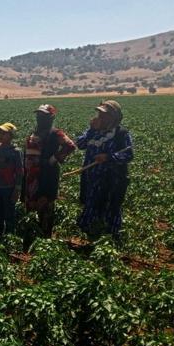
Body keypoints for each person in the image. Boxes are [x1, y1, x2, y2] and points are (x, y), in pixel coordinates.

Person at [76, 100, 133, 241]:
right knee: (90, 205)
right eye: (99, 114)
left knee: (111, 209)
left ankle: (110, 240)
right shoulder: (93, 132)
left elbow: (128, 154)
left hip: (111, 181)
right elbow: (80, 144)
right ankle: (88, 237)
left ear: (114, 118)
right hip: (91, 179)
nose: (100, 117)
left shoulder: (121, 134)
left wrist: (109, 157)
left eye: (104, 115)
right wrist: (91, 130)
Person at [23, 104, 76, 238]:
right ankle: (32, 236)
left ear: (51, 117)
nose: (40, 118)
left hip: (47, 175)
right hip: (31, 176)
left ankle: (45, 238)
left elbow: (70, 146)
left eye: (44, 116)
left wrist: (54, 158)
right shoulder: (33, 133)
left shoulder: (56, 133)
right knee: (31, 206)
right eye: (39, 115)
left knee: (45, 205)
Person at [0, 123, 23, 243]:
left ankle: (9, 238)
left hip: (9, 188)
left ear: (11, 136)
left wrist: (17, 189)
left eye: (4, 133)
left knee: (9, 214)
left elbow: (19, 172)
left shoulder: (15, 152)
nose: (0, 135)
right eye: (0, 133)